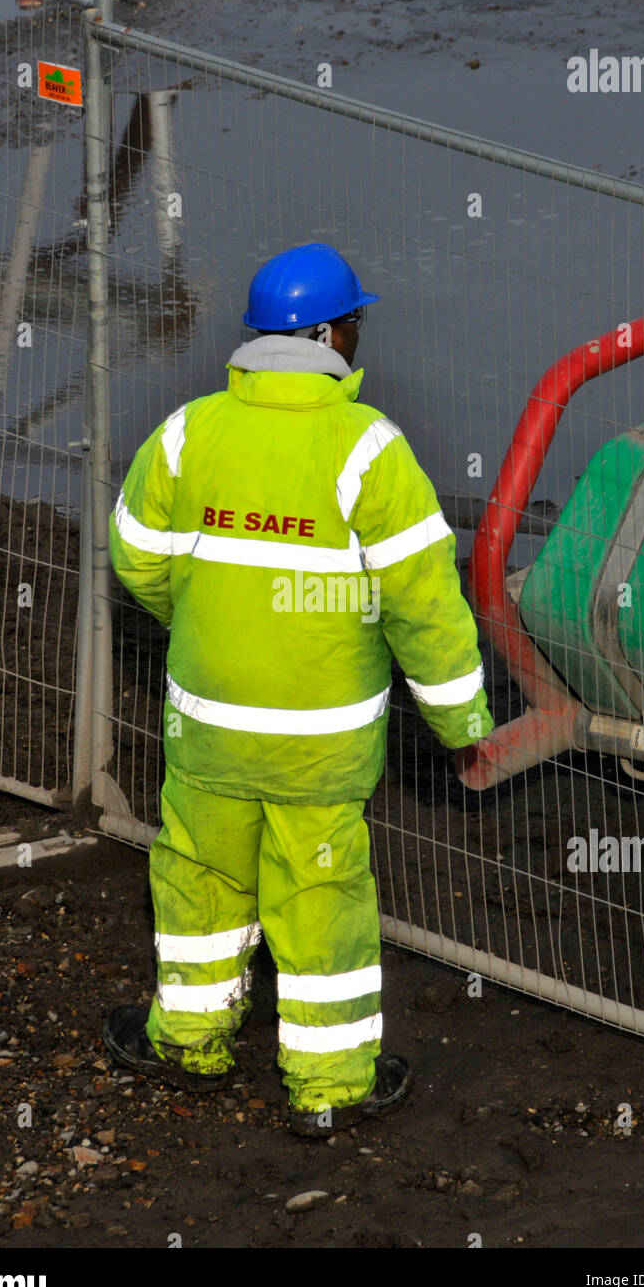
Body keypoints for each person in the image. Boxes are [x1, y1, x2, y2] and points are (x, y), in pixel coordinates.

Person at [103, 242, 493, 1137]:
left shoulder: (187, 432)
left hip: (208, 728)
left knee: (199, 879)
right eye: (355, 322)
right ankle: (327, 1087)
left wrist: (208, 623)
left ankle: (188, 1045)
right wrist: (459, 718)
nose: (359, 338)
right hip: (320, 744)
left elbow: (137, 557)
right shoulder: (368, 451)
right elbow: (424, 605)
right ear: (328, 334)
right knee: (320, 899)